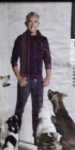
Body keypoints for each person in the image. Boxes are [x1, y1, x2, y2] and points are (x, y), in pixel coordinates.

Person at [10, 11, 52, 140]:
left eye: (35, 22)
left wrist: (47, 78)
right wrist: (19, 77)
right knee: (19, 110)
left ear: (38, 23)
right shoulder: (21, 39)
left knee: (37, 112)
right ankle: (14, 138)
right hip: (25, 81)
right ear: (26, 23)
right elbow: (14, 60)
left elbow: (48, 60)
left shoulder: (43, 40)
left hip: (39, 81)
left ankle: (37, 139)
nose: (32, 25)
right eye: (29, 22)